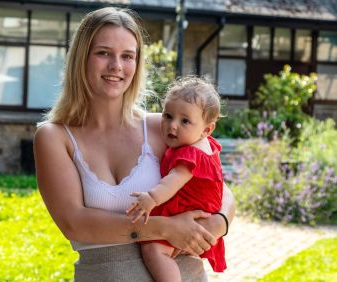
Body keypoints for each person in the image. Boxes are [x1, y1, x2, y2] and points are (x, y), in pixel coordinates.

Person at [34, 6, 235, 282]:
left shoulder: (164, 128)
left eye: (127, 56)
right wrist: (164, 228)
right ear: (81, 58)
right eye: (103, 53)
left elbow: (220, 189)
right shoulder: (54, 137)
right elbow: (75, 224)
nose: (116, 66)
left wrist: (217, 224)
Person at [127, 77, 226, 281]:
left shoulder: (190, 154)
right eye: (168, 116)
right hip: (197, 211)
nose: (172, 126)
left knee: (154, 250)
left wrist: (151, 199)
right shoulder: (203, 144)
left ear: (207, 130)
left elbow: (173, 181)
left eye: (184, 121)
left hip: (187, 209)